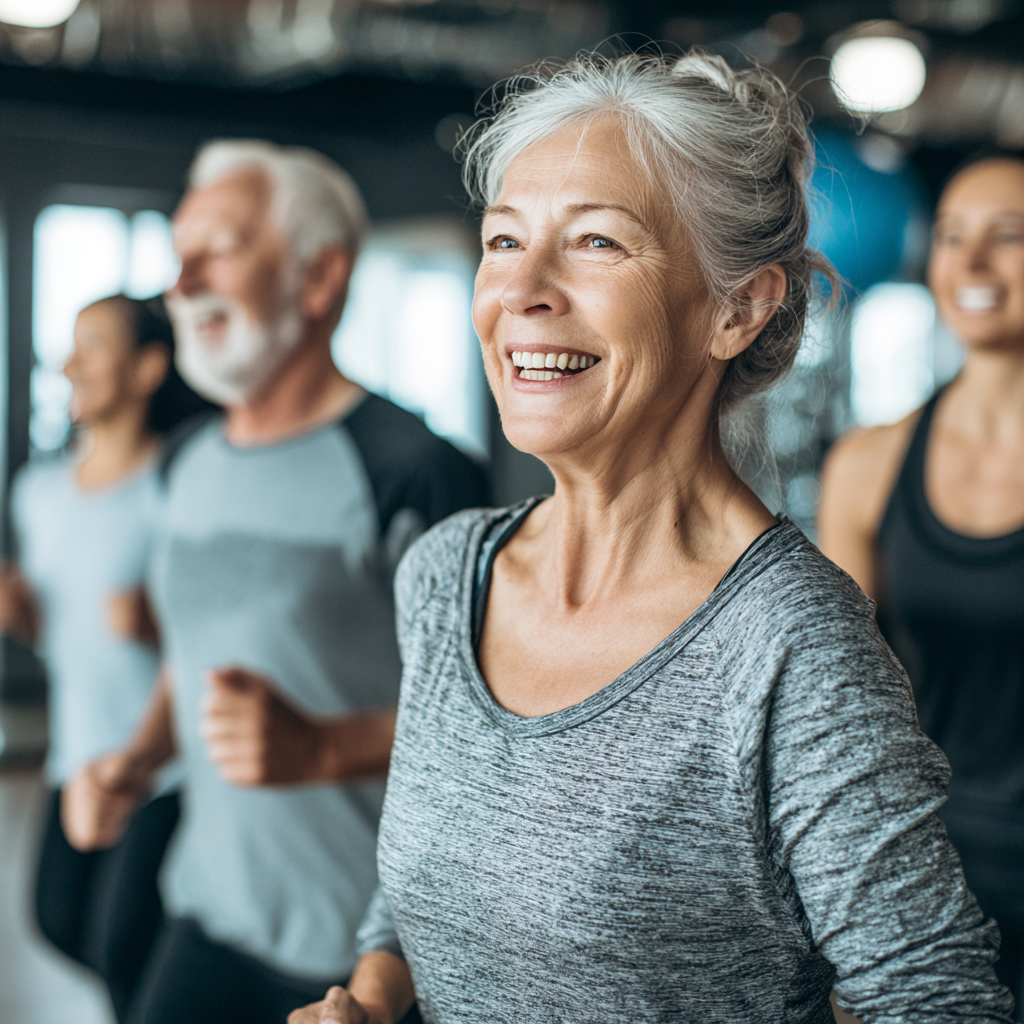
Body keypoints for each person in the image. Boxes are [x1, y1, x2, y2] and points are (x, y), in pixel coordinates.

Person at [290, 53, 1014, 1024]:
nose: (523, 290)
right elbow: (451, 858)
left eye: (594, 242)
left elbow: (938, 1002)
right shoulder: (446, 572)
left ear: (736, 308)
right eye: (503, 240)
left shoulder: (789, 643)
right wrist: (377, 994)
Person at [61, 140, 489, 1024]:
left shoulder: (412, 468)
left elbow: (488, 726)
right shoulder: (185, 460)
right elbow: (198, 644)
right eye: (178, 254)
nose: (181, 281)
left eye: (218, 247)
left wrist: (325, 748)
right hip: (206, 905)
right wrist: (140, 758)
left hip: (360, 958)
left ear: (319, 277)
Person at [819, 152, 1024, 1017]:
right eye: (951, 236)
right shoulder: (870, 463)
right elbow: (837, 710)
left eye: (1007, 236)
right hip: (930, 867)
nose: (971, 264)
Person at [0, 294, 212, 1020]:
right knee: (58, 920)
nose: (69, 365)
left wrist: (157, 625)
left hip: (163, 767)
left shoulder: (177, 485)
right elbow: (64, 637)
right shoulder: (38, 495)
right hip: (75, 756)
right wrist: (22, 619)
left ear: (148, 367)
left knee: (121, 942)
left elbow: (215, 635)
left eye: (92, 346)